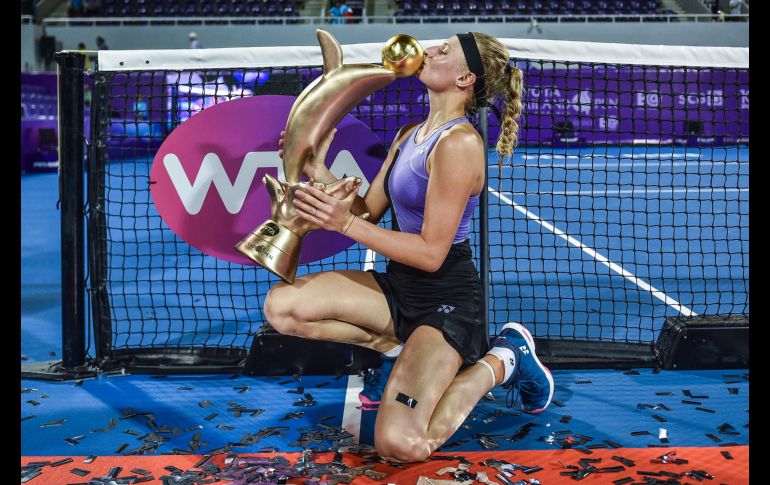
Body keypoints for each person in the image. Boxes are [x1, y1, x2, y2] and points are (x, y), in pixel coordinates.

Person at [265, 32, 554, 462]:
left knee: (401, 445)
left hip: (446, 303)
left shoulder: (459, 144)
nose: (429, 49)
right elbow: (369, 214)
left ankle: (504, 359)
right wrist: (316, 168)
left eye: (444, 50)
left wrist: (341, 222)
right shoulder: (409, 134)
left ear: (465, 77)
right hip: (400, 290)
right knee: (282, 306)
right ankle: (399, 351)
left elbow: (430, 253)